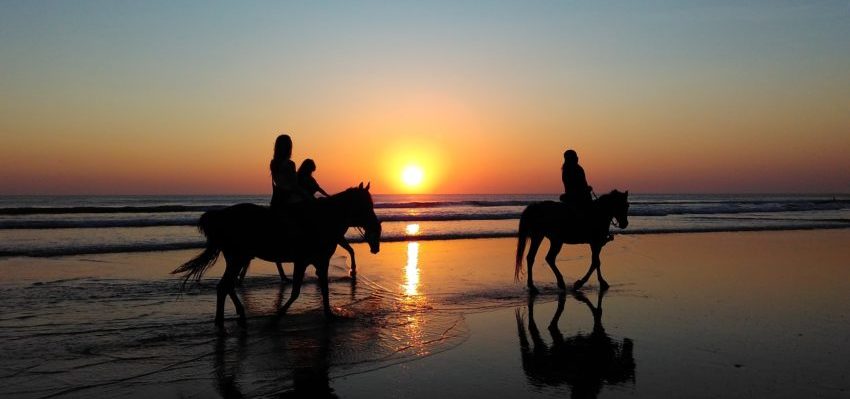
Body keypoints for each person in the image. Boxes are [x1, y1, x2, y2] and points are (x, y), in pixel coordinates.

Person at [270, 134, 299, 208]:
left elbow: (277, 182)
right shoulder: (290, 164)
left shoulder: (273, 163)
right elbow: (294, 185)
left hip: (276, 199)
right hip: (289, 199)